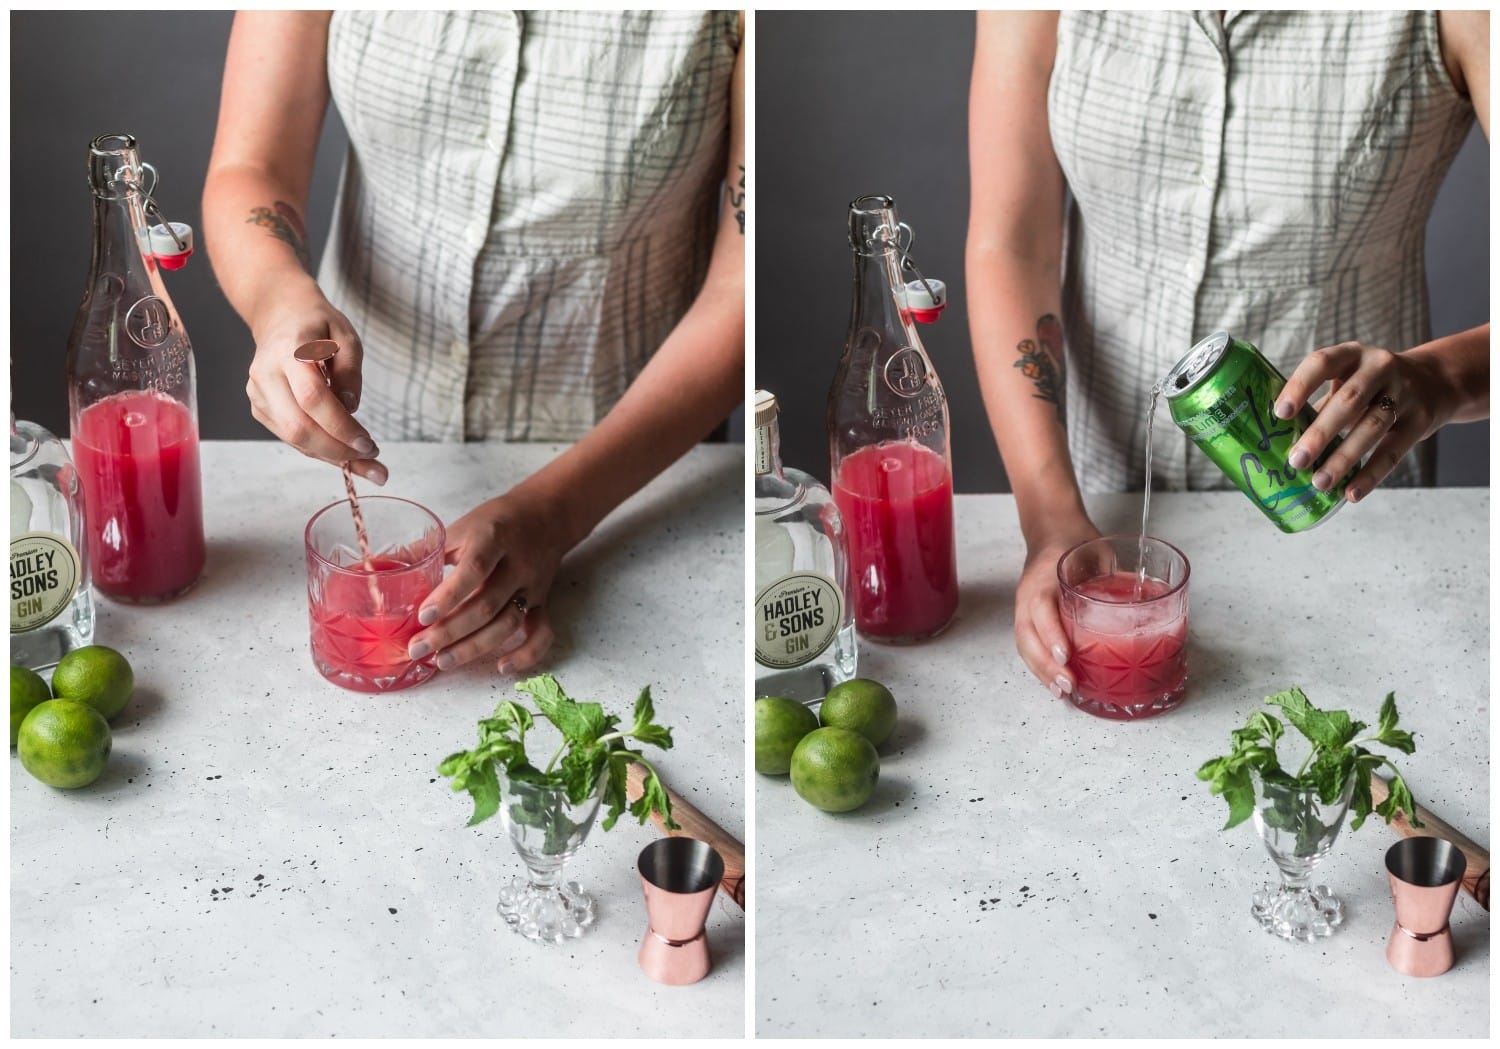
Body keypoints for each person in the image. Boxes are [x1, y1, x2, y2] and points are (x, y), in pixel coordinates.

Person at [203, 11, 744, 677]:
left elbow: (740, 290)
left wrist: (554, 515)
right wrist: (280, 299)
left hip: (630, 487)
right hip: (362, 444)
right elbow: (251, 165)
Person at [966, 10, 1488, 699]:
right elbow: (1014, 244)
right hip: (1096, 501)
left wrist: (1442, 378)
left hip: (1354, 532)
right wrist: (1051, 517)